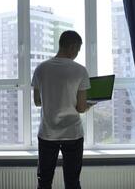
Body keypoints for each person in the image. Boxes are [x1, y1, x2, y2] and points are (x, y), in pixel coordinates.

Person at [31, 30, 94, 189]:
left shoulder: (40, 69)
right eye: (78, 50)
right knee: (72, 181)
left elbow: (37, 102)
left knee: (44, 180)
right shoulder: (80, 70)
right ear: (72, 47)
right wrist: (89, 104)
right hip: (72, 133)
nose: (77, 54)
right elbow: (80, 107)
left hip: (47, 133)